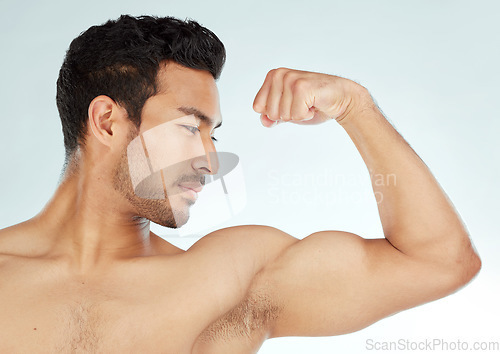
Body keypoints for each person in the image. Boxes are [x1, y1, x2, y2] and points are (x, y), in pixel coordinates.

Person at [0, 14, 480, 353]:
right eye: (190, 128)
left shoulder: (227, 284)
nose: (211, 161)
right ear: (107, 121)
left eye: (214, 134)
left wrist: (355, 107)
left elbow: (439, 262)